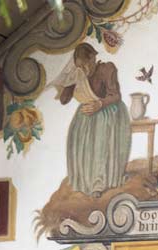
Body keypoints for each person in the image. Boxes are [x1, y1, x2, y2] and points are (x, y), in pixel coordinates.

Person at [51, 43, 132, 197]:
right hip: (87, 114)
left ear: (93, 58)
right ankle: (84, 182)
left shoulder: (106, 69)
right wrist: (70, 80)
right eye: (80, 66)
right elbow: (64, 100)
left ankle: (98, 183)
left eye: (85, 64)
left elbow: (116, 95)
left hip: (107, 112)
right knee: (78, 139)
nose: (84, 69)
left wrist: (99, 104)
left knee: (100, 142)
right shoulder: (79, 74)